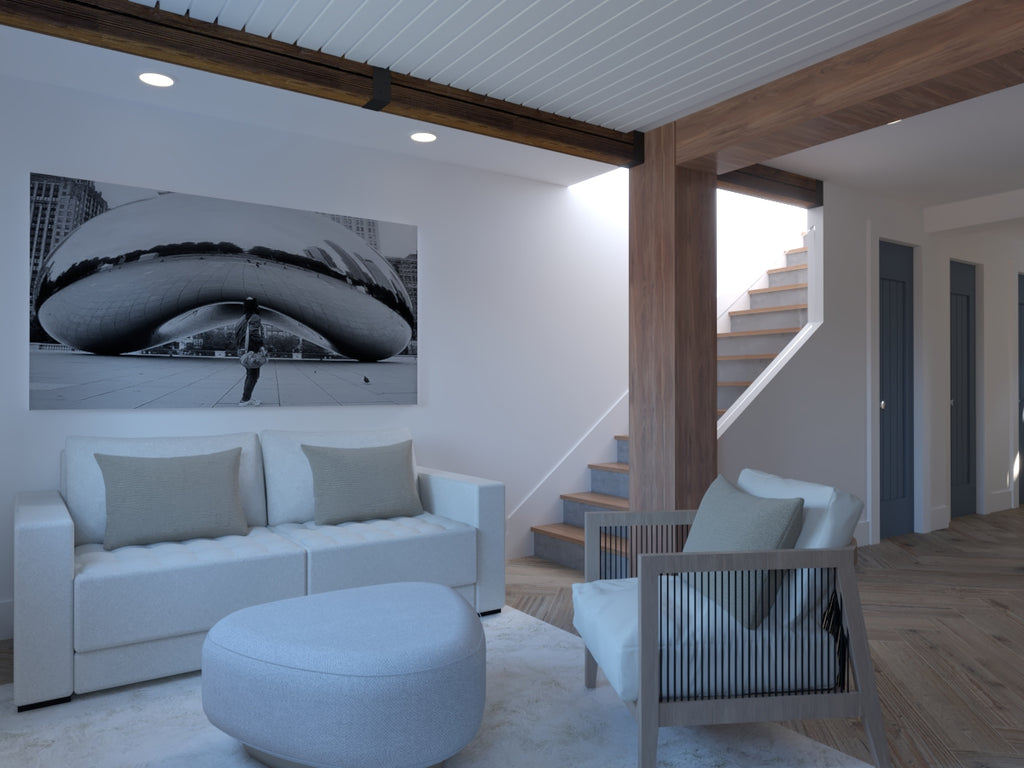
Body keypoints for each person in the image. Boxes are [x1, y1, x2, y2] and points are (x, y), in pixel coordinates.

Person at [235, 296, 266, 406]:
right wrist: (261, 346)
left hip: (243, 351)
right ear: (255, 306)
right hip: (251, 351)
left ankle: (246, 397)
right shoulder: (255, 317)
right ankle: (245, 399)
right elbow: (254, 333)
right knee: (253, 375)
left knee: (250, 375)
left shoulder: (242, 319)